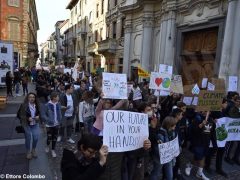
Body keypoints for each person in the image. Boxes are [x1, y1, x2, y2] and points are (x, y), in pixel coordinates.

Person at [18, 92, 40, 159]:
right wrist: (27, 118)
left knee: (36, 138)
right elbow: (19, 115)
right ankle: (28, 151)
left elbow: (40, 113)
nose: (32, 99)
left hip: (35, 124)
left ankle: (33, 150)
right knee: (28, 138)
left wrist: (38, 116)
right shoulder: (24, 105)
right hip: (26, 124)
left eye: (33, 97)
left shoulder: (37, 105)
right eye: (30, 97)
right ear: (27, 98)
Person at [42, 92, 62, 158]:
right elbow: (43, 115)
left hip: (56, 124)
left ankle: (53, 150)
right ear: (54, 97)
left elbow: (59, 112)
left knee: (55, 138)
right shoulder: (47, 105)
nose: (58, 98)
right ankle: (47, 145)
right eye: (57, 96)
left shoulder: (58, 104)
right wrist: (48, 120)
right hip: (49, 125)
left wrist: (60, 119)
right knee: (49, 137)